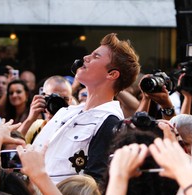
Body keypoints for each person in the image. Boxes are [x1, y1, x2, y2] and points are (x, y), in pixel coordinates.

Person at [32, 33, 140, 185]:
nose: (85, 58)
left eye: (96, 56)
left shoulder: (110, 122)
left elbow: (94, 187)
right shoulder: (66, 112)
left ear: (112, 74)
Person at [19, 75, 73, 144]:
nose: (58, 103)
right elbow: (11, 146)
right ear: (43, 97)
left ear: (70, 101)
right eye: (54, 98)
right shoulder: (37, 127)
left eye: (64, 99)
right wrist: (30, 118)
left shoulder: (76, 127)